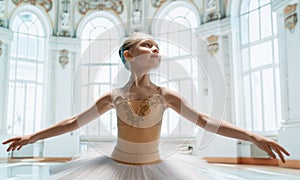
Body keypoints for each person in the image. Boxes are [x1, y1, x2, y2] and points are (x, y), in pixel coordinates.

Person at [2, 32, 290, 179]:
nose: (155, 49)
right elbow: (72, 123)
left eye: (158, 47)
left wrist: (253, 136)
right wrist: (32, 137)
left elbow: (206, 120)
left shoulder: (167, 96)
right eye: (147, 45)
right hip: (114, 168)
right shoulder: (112, 97)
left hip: (157, 168)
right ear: (129, 55)